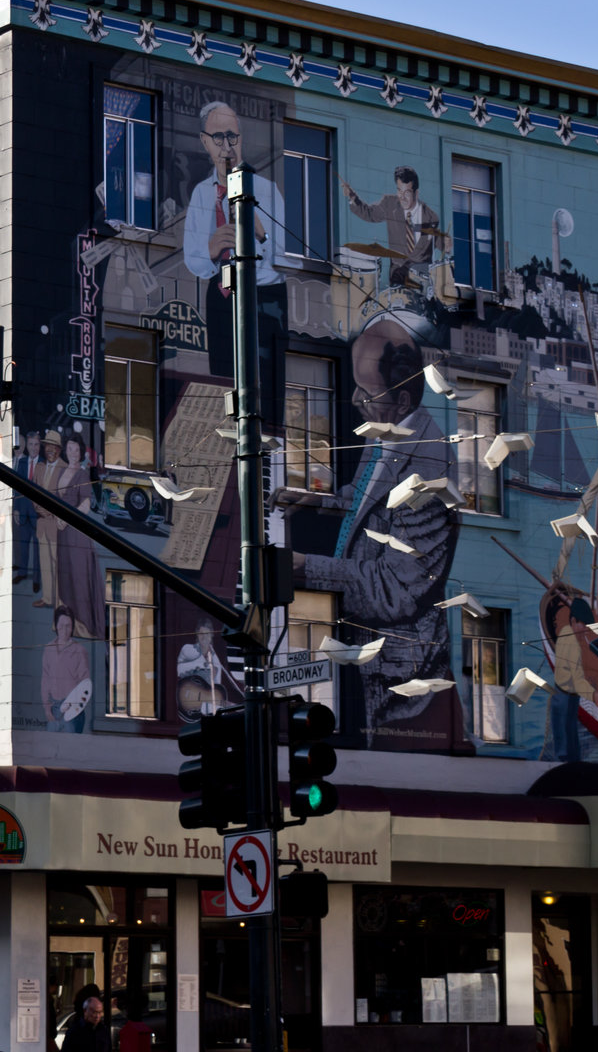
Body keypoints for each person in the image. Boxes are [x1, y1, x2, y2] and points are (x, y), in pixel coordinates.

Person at [279, 316, 465, 752]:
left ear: (402, 401)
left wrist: (308, 569)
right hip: (366, 655)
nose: (355, 399)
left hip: (399, 691)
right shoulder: (390, 432)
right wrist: (320, 499)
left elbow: (395, 590)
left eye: (367, 391)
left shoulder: (427, 472)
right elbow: (369, 501)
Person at [183, 100, 296, 380]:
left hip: (264, 297)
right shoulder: (201, 193)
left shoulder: (266, 191)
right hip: (221, 293)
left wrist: (261, 233)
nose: (227, 145)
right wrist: (211, 249)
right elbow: (193, 259)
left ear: (241, 138)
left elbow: (285, 259)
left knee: (266, 378)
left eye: (232, 136)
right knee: (223, 373)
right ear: (205, 142)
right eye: (218, 137)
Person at [343, 165, 448, 287]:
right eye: (399, 190)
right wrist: (352, 197)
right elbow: (369, 214)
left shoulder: (430, 217)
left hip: (421, 283)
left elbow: (435, 242)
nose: (402, 197)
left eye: (407, 192)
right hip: (397, 279)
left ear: (416, 193)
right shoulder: (390, 204)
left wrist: (446, 244)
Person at [549, 598, 598, 762]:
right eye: (582, 625)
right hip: (565, 696)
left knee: (566, 739)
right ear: (573, 621)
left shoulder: (564, 633)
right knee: (566, 745)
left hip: (564, 694)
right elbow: (577, 680)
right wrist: (594, 695)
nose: (585, 630)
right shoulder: (572, 645)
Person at [55, 437, 105, 640]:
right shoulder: (61, 471)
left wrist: (66, 520)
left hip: (76, 533)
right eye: (69, 448)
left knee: (79, 576)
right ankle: (68, 622)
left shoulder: (83, 474)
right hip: (62, 532)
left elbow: (85, 505)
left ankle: (85, 624)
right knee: (65, 576)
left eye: (76, 449)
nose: (72, 452)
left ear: (81, 452)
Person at [41, 606, 91, 732]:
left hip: (72, 710)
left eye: (68, 625)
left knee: (70, 748)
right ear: (56, 625)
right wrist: (47, 708)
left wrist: (72, 706)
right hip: (54, 709)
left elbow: (85, 683)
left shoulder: (79, 651)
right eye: (61, 625)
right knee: (51, 748)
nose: (64, 629)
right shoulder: (49, 649)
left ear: (72, 627)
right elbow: (45, 679)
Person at [33, 429, 67, 610]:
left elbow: (65, 497)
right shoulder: (39, 467)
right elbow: (33, 492)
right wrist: (40, 509)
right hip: (42, 522)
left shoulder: (64, 469)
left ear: (59, 449)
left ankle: (59, 601)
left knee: (57, 563)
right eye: (47, 447)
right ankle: (47, 598)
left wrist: (51, 513)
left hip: (55, 523)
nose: (50, 450)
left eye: (53, 447)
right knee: (44, 562)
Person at [12, 429, 42, 593]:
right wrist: (16, 509)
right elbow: (17, 487)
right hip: (23, 511)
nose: (33, 447)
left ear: (39, 445)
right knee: (23, 544)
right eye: (30, 444)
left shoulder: (43, 464)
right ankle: (22, 572)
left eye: (36, 444)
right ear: (27, 446)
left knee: (37, 548)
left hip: (38, 515)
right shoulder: (22, 463)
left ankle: (36, 580)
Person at [177, 617, 225, 718]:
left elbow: (217, 686)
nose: (204, 637)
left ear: (211, 635)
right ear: (197, 634)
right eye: (201, 634)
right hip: (187, 693)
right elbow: (179, 670)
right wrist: (201, 665)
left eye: (207, 634)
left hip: (202, 702)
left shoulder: (215, 659)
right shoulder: (188, 649)